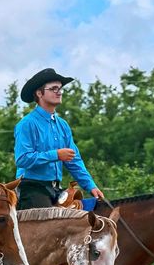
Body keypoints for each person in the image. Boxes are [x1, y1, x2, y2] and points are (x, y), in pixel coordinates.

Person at [13, 67, 104, 209]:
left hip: (56, 189)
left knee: (84, 220)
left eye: (60, 88)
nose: (59, 92)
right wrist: (56, 154)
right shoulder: (27, 124)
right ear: (39, 93)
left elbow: (74, 160)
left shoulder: (63, 125)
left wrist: (91, 186)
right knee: (48, 228)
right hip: (31, 188)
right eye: (54, 88)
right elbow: (22, 159)